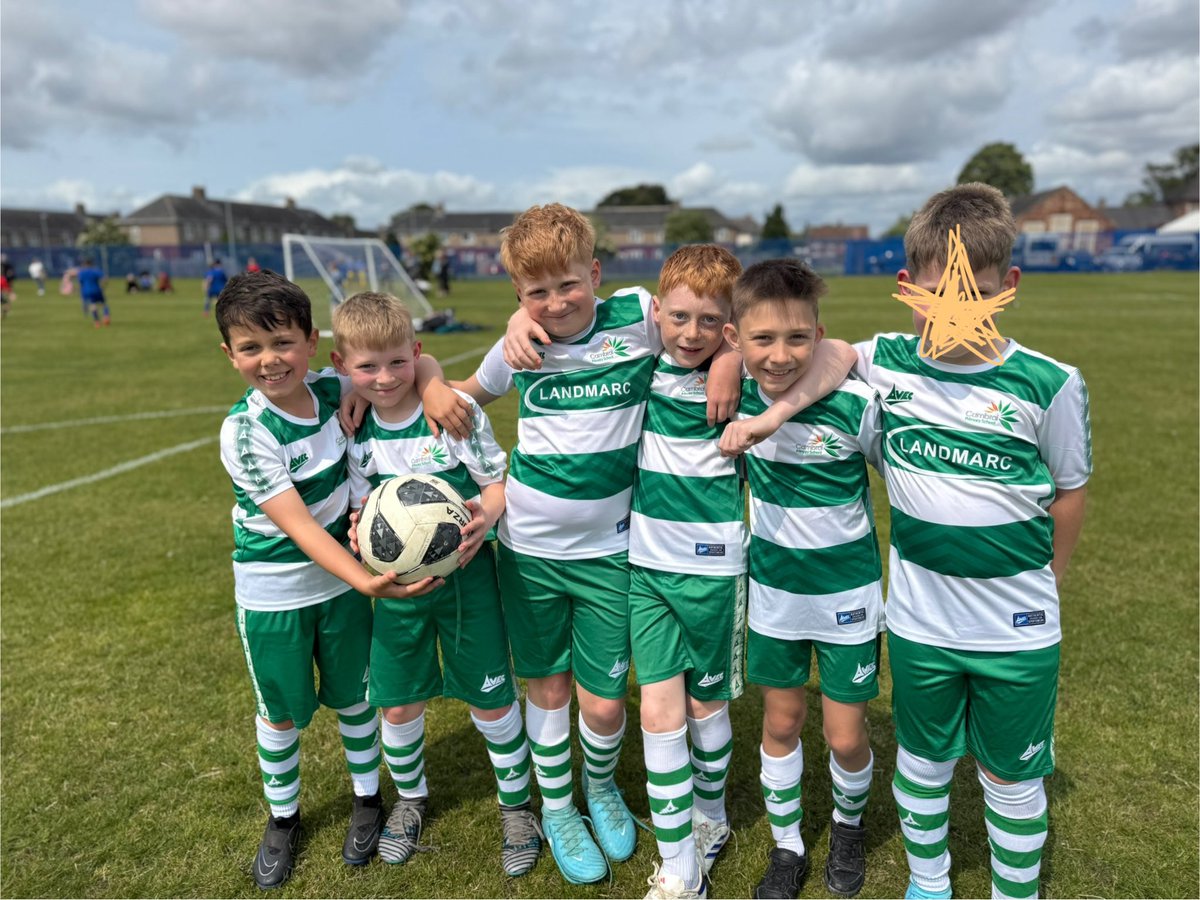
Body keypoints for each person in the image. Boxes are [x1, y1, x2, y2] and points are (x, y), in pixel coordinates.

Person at [733, 184, 1093, 900]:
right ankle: (928, 885)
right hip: (923, 624)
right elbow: (826, 352)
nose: (957, 312)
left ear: (1008, 286)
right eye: (938, 294)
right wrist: (769, 416)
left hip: (1016, 629)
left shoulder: (1050, 383)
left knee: (1011, 776)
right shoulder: (887, 363)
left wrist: (1048, 579)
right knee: (925, 762)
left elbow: (1070, 489)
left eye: (978, 293)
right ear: (908, 289)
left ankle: (1013, 892)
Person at [630, 246, 854, 900]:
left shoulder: (753, 381)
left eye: (711, 324)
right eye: (679, 319)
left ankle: (713, 818)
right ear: (657, 315)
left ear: (729, 326)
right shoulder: (642, 366)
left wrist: (733, 360)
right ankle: (679, 868)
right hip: (645, 568)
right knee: (658, 710)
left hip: (715, 571)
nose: (691, 334)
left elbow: (834, 350)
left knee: (706, 705)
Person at [214, 270, 449, 890]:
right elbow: (299, 527)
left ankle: (368, 800)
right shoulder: (245, 431)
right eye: (251, 348)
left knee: (353, 698)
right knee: (283, 713)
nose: (270, 361)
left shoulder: (331, 386)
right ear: (229, 354)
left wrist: (434, 383)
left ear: (312, 342)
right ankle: (284, 817)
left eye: (283, 343)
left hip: (341, 587)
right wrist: (366, 579)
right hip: (277, 592)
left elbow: (404, 364)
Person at [330, 291, 544, 877]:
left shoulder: (450, 413)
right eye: (367, 367)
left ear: (417, 352)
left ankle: (516, 804)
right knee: (398, 705)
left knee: (491, 696)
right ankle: (411, 800)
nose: (384, 377)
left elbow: (498, 483)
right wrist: (359, 534)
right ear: (343, 365)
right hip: (394, 590)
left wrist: (485, 520)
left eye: (399, 362)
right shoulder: (354, 430)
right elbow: (359, 510)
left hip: (467, 580)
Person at [720, 260, 883, 900]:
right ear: (735, 340)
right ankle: (786, 845)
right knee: (781, 724)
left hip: (847, 597)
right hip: (774, 599)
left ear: (818, 335)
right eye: (762, 340)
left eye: (797, 338)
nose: (780, 355)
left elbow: (903, 475)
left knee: (845, 735)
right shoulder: (728, 399)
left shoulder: (854, 406)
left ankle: (846, 826)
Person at [77, 257, 110, 326]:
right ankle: (106, 316)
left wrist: (80, 292)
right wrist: (103, 286)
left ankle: (97, 321)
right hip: (97, 289)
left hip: (86, 291)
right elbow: (105, 278)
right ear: (91, 264)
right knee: (103, 303)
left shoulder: (81, 273)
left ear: (84, 264)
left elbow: (80, 283)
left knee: (93, 305)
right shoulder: (95, 271)